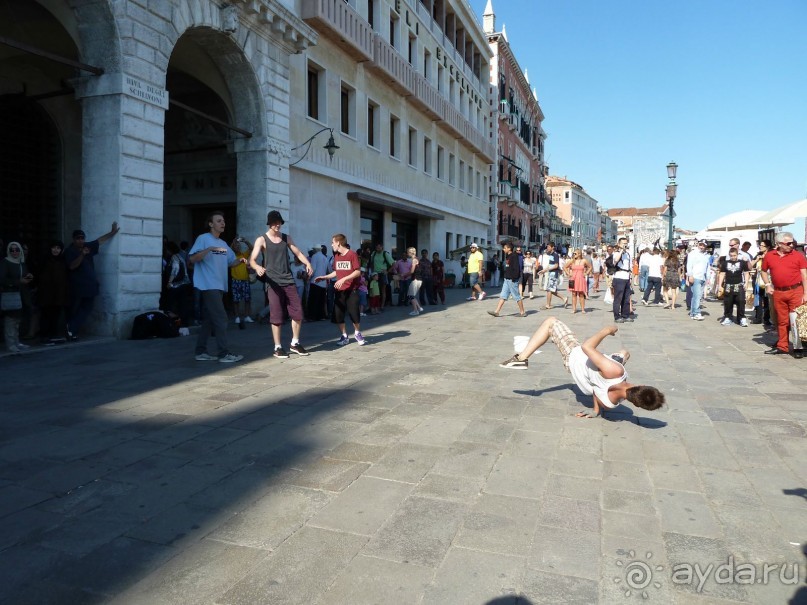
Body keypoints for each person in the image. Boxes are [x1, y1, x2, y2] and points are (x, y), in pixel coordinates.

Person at [499, 317, 665, 419]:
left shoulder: (616, 371)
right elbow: (596, 390)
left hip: (575, 354)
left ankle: (521, 359)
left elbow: (587, 347)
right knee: (623, 353)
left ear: (643, 386)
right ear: (636, 404)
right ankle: (617, 357)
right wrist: (595, 410)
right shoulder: (612, 403)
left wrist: (608, 330)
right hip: (579, 371)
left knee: (551, 323)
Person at [250, 210, 313, 358]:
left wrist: (307, 263)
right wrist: (258, 267)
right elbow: (252, 259)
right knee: (276, 315)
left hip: (288, 280)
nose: (278, 225)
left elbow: (298, 253)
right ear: (269, 223)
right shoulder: (262, 240)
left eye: (280, 223)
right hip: (273, 282)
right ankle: (277, 347)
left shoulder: (286, 238)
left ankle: (295, 343)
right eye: (275, 223)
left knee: (297, 312)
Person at [189, 211, 246, 363]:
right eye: (219, 221)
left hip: (220, 286)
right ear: (211, 224)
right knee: (221, 318)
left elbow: (230, 262)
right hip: (209, 285)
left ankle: (200, 351)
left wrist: (240, 262)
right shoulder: (203, 239)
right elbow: (193, 258)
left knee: (209, 320)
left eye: (223, 221)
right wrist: (208, 249)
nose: (223, 223)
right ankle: (223, 353)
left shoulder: (223, 244)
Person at [64, 222, 120, 340]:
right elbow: (72, 266)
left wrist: (112, 232)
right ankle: (70, 329)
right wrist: (82, 255)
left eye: (82, 238)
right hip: (76, 286)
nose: (80, 241)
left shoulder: (87, 246)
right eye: (78, 238)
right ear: (73, 239)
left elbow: (99, 241)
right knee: (74, 308)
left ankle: (72, 329)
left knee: (86, 308)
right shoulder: (69, 251)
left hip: (89, 286)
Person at [760, 232, 807, 357]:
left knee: (796, 320)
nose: (791, 245)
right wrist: (768, 284)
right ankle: (782, 346)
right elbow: (763, 271)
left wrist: (806, 293)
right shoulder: (770, 256)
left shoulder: (798, 256)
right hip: (779, 292)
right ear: (779, 244)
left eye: (792, 242)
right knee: (781, 320)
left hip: (796, 290)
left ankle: (798, 347)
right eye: (788, 243)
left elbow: (804, 275)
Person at [314, 234, 365, 346]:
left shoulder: (352, 254)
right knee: (338, 314)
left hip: (352, 290)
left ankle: (357, 333)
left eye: (333, 242)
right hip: (340, 290)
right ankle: (344, 336)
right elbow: (336, 272)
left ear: (338, 243)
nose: (331, 245)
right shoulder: (336, 256)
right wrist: (325, 277)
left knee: (354, 313)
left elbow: (357, 271)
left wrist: (344, 279)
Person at [1, 242, 34, 353]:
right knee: (10, 320)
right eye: (12, 250)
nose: (15, 252)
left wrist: (28, 276)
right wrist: (18, 281)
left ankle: (16, 341)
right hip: (11, 295)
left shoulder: (21, 262)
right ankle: (11, 344)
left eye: (17, 250)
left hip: (22, 295)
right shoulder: (5, 262)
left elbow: (23, 275)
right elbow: (2, 279)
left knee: (17, 321)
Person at [37, 241, 69, 344]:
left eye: (58, 248)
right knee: (45, 315)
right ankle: (44, 336)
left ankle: (52, 335)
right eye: (54, 247)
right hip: (46, 293)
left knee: (55, 315)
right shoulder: (44, 260)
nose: (56, 250)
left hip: (58, 294)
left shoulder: (63, 261)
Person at [487, 242, 526, 318]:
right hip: (506, 279)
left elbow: (517, 268)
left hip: (512, 280)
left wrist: (514, 278)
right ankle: (497, 311)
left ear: (509, 248)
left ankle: (522, 312)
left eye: (505, 248)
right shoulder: (508, 256)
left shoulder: (514, 256)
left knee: (516, 296)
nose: (503, 249)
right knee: (503, 296)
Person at [716, 246, 750, 327]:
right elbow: (722, 274)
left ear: (737, 255)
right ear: (729, 255)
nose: (733, 257)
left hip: (739, 285)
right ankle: (728, 317)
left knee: (741, 301)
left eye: (734, 255)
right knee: (728, 302)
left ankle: (741, 318)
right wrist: (720, 285)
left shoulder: (742, 262)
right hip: (728, 285)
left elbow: (746, 273)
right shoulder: (725, 263)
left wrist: (746, 283)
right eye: (731, 255)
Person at [164, 241, 192, 327]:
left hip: (176, 285)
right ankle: (183, 322)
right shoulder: (180, 257)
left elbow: (175, 270)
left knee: (172, 305)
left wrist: (169, 282)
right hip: (183, 284)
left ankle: (176, 322)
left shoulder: (174, 257)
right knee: (182, 304)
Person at [229, 236, 254, 329]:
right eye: (236, 245)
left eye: (239, 245)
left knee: (247, 299)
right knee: (236, 300)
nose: (238, 247)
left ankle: (247, 316)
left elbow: (252, 248)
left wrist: (245, 240)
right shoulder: (232, 255)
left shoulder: (244, 255)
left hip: (245, 280)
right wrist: (233, 242)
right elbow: (229, 249)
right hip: (236, 280)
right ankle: (237, 317)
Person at [538, 241, 568, 310]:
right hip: (550, 273)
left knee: (549, 290)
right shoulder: (551, 255)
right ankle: (564, 298)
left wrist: (547, 270)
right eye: (547, 247)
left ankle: (548, 305)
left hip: (554, 274)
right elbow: (549, 265)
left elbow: (556, 265)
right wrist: (543, 270)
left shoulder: (555, 255)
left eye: (549, 247)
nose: (547, 248)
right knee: (552, 290)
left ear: (552, 247)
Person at [686, 241, 710, 321]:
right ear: (698, 245)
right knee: (697, 296)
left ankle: (693, 312)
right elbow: (689, 265)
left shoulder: (706, 255)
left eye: (703, 245)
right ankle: (696, 312)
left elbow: (707, 267)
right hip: (695, 276)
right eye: (700, 245)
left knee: (697, 296)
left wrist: (708, 277)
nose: (702, 247)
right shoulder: (693, 253)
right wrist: (690, 275)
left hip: (702, 277)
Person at [610, 237, 633, 323]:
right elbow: (615, 261)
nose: (625, 245)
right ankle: (617, 316)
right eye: (623, 243)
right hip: (619, 277)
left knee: (626, 298)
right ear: (619, 244)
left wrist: (630, 277)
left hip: (626, 277)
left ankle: (625, 315)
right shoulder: (616, 253)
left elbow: (630, 266)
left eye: (626, 243)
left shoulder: (628, 254)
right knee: (618, 298)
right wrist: (621, 251)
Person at [565, 249, 591, 314]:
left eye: (575, 253)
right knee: (573, 294)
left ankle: (582, 309)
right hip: (573, 279)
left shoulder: (584, 260)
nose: (574, 255)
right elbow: (565, 267)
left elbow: (590, 267)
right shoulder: (572, 261)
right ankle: (574, 309)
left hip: (580, 278)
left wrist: (586, 273)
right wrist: (568, 273)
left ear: (579, 254)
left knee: (581, 294)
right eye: (573, 253)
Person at [369, 243, 394, 309]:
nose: (378, 248)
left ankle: (382, 306)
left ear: (382, 247)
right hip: (375, 274)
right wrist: (371, 271)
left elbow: (393, 264)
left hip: (382, 274)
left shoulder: (385, 254)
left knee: (383, 290)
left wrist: (387, 271)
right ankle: (375, 305)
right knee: (375, 290)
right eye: (377, 247)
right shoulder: (374, 253)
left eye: (379, 247)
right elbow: (371, 262)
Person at [307, 243, 329, 320]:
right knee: (321, 301)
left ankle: (312, 316)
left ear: (315, 250)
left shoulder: (314, 256)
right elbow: (327, 270)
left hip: (315, 281)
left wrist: (308, 277)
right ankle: (321, 316)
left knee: (313, 301)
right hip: (323, 282)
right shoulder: (325, 258)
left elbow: (313, 269)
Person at [404, 247, 425, 316]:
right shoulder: (417, 259)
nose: (407, 254)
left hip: (416, 280)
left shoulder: (414, 260)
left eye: (407, 252)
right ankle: (419, 308)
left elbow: (412, 271)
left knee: (411, 296)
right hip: (418, 280)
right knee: (411, 295)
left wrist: (404, 275)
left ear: (410, 253)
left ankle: (416, 311)